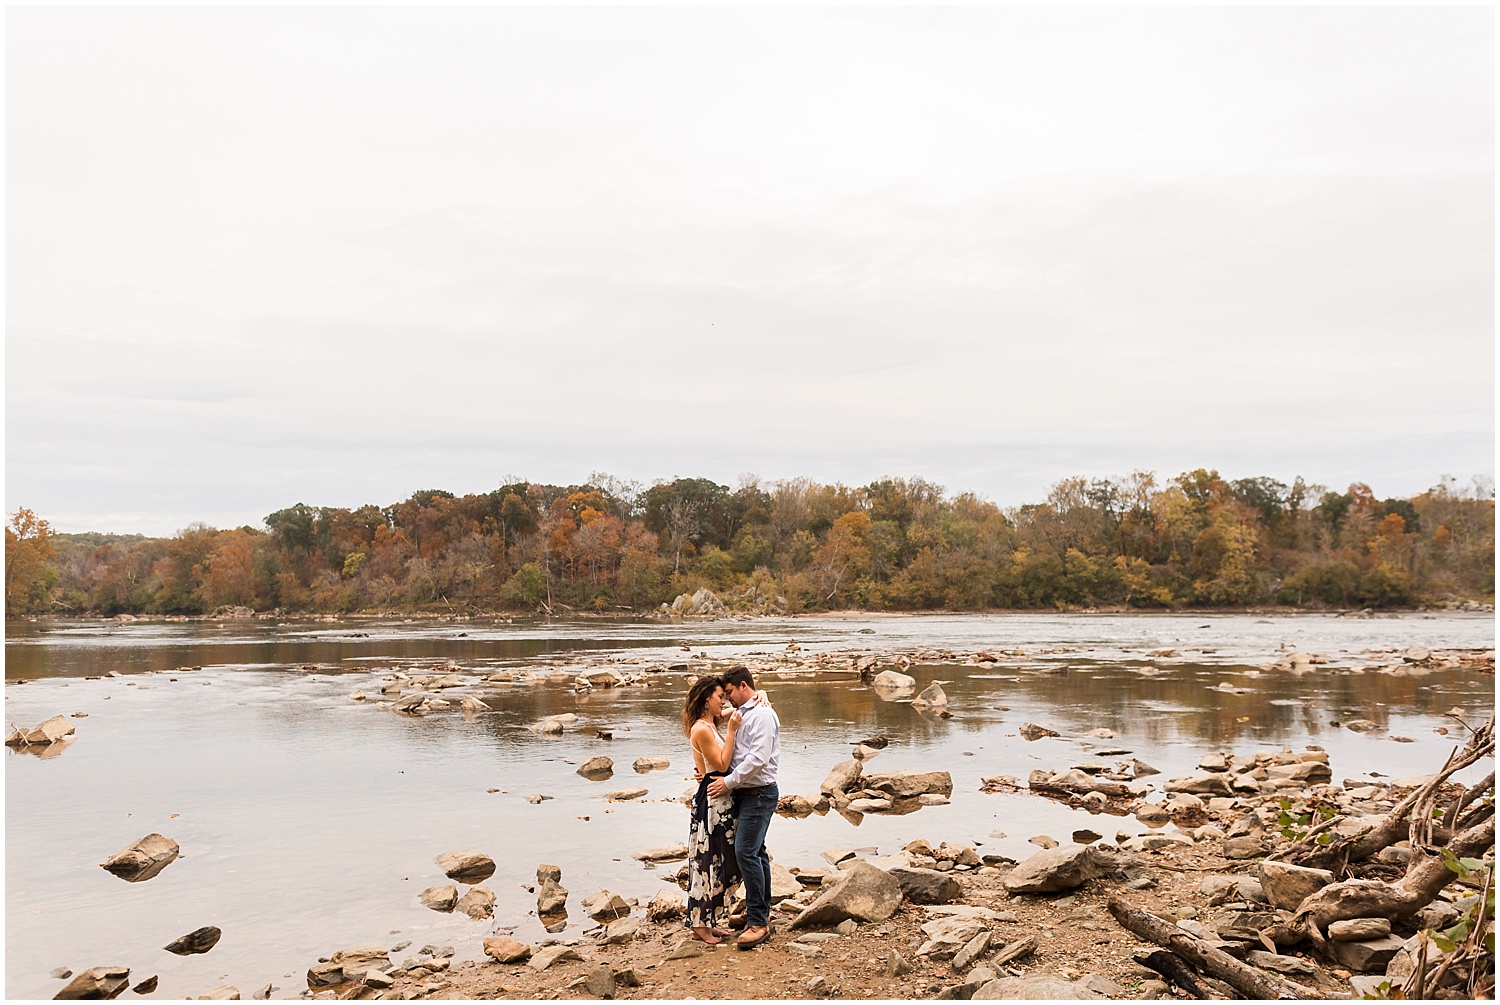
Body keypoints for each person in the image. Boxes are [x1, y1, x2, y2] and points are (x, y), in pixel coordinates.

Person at [707, 666, 781, 950]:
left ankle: (759, 923)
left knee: (745, 852)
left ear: (742, 686)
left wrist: (728, 782)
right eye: (723, 695)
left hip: (759, 793)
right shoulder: (747, 711)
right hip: (749, 793)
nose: (727, 700)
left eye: (728, 693)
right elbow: (710, 719)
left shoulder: (761, 714)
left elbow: (759, 758)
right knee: (757, 852)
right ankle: (758, 910)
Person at [681, 675, 741, 944]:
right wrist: (731, 732)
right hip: (713, 801)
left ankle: (708, 920)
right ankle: (699, 925)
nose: (724, 702)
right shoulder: (703, 729)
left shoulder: (709, 722)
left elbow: (738, 711)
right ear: (707, 699)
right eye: (720, 697)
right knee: (707, 862)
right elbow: (722, 764)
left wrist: (759, 696)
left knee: (720, 860)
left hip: (719, 796)